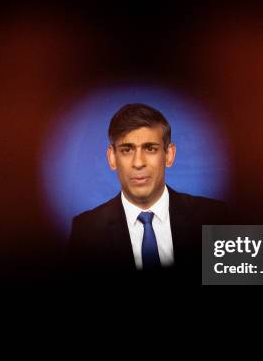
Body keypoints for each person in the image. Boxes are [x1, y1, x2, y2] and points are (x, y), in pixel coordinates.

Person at [68, 103, 225, 279]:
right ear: (112, 158)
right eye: (127, 150)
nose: (138, 163)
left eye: (150, 149)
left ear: (169, 155)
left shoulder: (216, 217)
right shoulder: (86, 231)